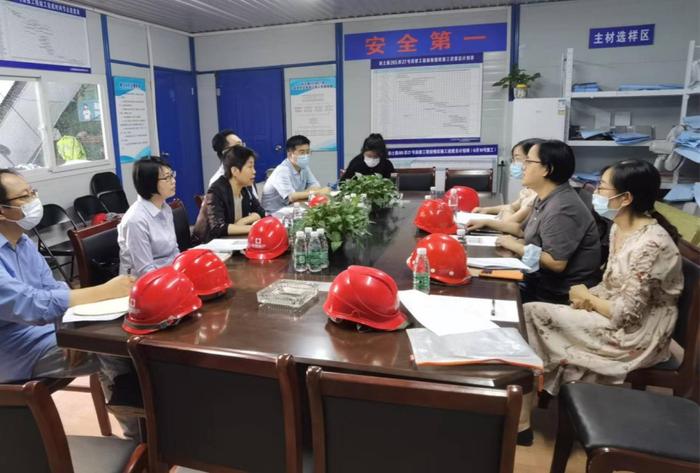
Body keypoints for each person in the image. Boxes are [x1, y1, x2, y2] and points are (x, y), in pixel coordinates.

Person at [523, 159, 683, 396]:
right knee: (532, 312)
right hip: (612, 312)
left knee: (530, 313)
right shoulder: (619, 228)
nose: (595, 193)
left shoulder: (651, 245)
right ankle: (530, 399)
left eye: (601, 187)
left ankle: (526, 406)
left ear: (626, 198)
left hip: (636, 334)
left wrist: (586, 297)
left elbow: (628, 315)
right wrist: (587, 298)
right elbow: (611, 283)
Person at [0, 169, 137, 434]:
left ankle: (144, 432)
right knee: (113, 348)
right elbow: (30, 304)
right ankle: (140, 440)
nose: (33, 201)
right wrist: (104, 291)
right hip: (14, 351)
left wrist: (69, 330)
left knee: (121, 335)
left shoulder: (24, 243)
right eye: (23, 197)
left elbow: (52, 289)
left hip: (44, 333)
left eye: (33, 193)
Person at [469, 140, 601, 303]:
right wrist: (489, 224)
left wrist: (515, 245)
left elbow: (556, 263)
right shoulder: (545, 196)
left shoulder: (563, 207)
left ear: (547, 169)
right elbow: (522, 231)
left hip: (558, 294)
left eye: (529, 161)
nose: (523, 166)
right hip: (537, 281)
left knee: (482, 293)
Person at [118, 156, 179, 277]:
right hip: (143, 284)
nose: (173, 181)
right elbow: (145, 270)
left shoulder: (165, 208)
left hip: (169, 275)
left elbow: (174, 251)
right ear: (149, 183)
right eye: (167, 178)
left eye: (172, 175)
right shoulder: (136, 220)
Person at [193, 145, 265, 242]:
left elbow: (261, 212)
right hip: (208, 245)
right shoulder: (216, 190)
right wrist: (253, 228)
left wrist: (244, 221)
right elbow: (217, 227)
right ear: (234, 171)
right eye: (250, 167)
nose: (254, 171)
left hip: (232, 241)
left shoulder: (245, 187)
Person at [472, 138, 543, 224]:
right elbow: (512, 206)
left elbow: (508, 222)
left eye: (517, 159)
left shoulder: (539, 195)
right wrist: (486, 210)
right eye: (512, 159)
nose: (513, 164)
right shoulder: (528, 190)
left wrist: (507, 211)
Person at [261, 135, 330, 214]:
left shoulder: (304, 167)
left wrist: (303, 195)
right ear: (290, 154)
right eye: (302, 152)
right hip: (273, 213)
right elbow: (292, 197)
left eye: (307, 152)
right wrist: (316, 193)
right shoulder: (282, 171)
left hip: (292, 208)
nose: (306, 155)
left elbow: (315, 185)